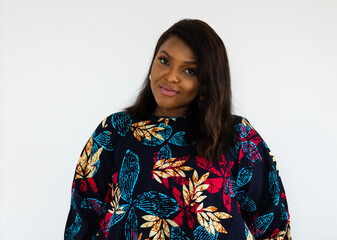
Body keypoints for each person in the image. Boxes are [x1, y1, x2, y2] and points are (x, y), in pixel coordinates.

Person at [65, 19, 291, 240]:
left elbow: (272, 225)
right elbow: (82, 220)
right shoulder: (115, 131)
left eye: (190, 71)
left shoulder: (235, 135)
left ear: (208, 81)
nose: (171, 76)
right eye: (164, 60)